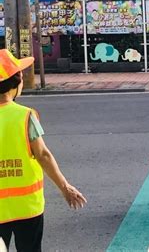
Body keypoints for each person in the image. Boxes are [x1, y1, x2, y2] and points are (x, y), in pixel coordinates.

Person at [0, 49, 86, 251]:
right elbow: (43, 155)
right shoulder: (25, 115)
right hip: (27, 206)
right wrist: (65, 188)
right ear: (17, 80)